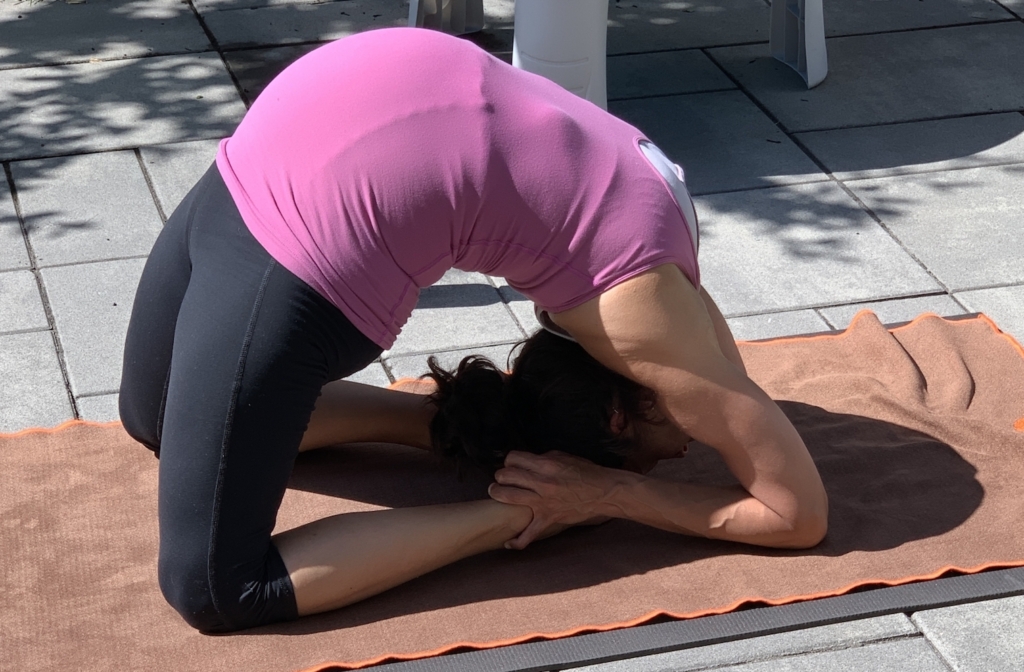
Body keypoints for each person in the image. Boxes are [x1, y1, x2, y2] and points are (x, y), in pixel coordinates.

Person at [119, 27, 828, 634]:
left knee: (156, 417)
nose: (686, 451)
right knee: (218, 587)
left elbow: (748, 430)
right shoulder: (656, 335)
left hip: (334, 99)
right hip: (297, 208)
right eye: (673, 450)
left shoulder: (674, 292)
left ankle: (486, 466)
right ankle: (517, 512)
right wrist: (604, 497)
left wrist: (607, 480)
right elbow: (799, 516)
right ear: (625, 408)